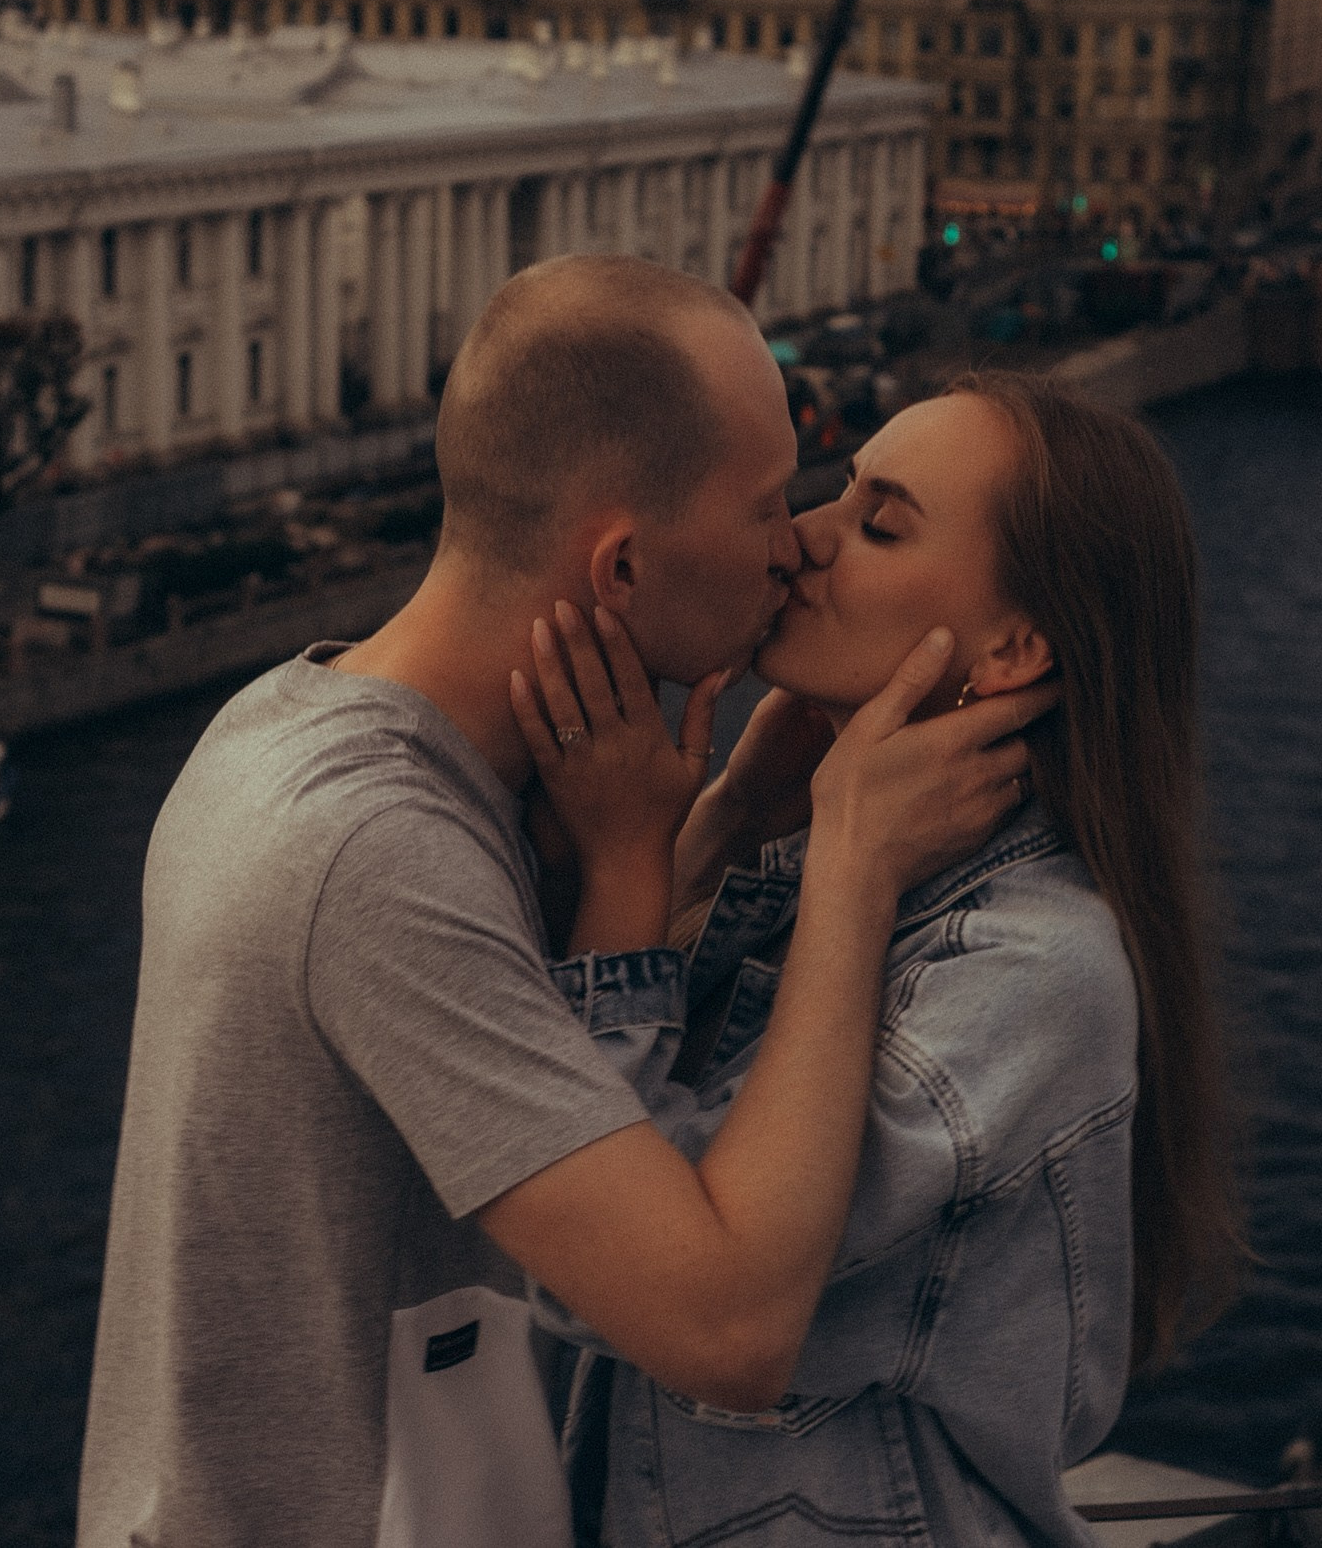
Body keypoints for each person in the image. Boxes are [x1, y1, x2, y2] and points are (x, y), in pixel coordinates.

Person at [74, 258, 1050, 1548]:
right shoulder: (374, 854)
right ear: (624, 569)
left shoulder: (284, 727)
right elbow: (728, 1329)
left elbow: (552, 1085)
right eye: (767, 504)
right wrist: (854, 860)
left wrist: (690, 846)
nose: (793, 544)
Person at [517, 372, 1243, 1547]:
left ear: (1011, 649)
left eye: (878, 523)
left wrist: (622, 873)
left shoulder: (1030, 970)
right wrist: (721, 838)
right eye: (838, 491)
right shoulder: (834, 862)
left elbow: (600, 1268)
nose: (799, 541)